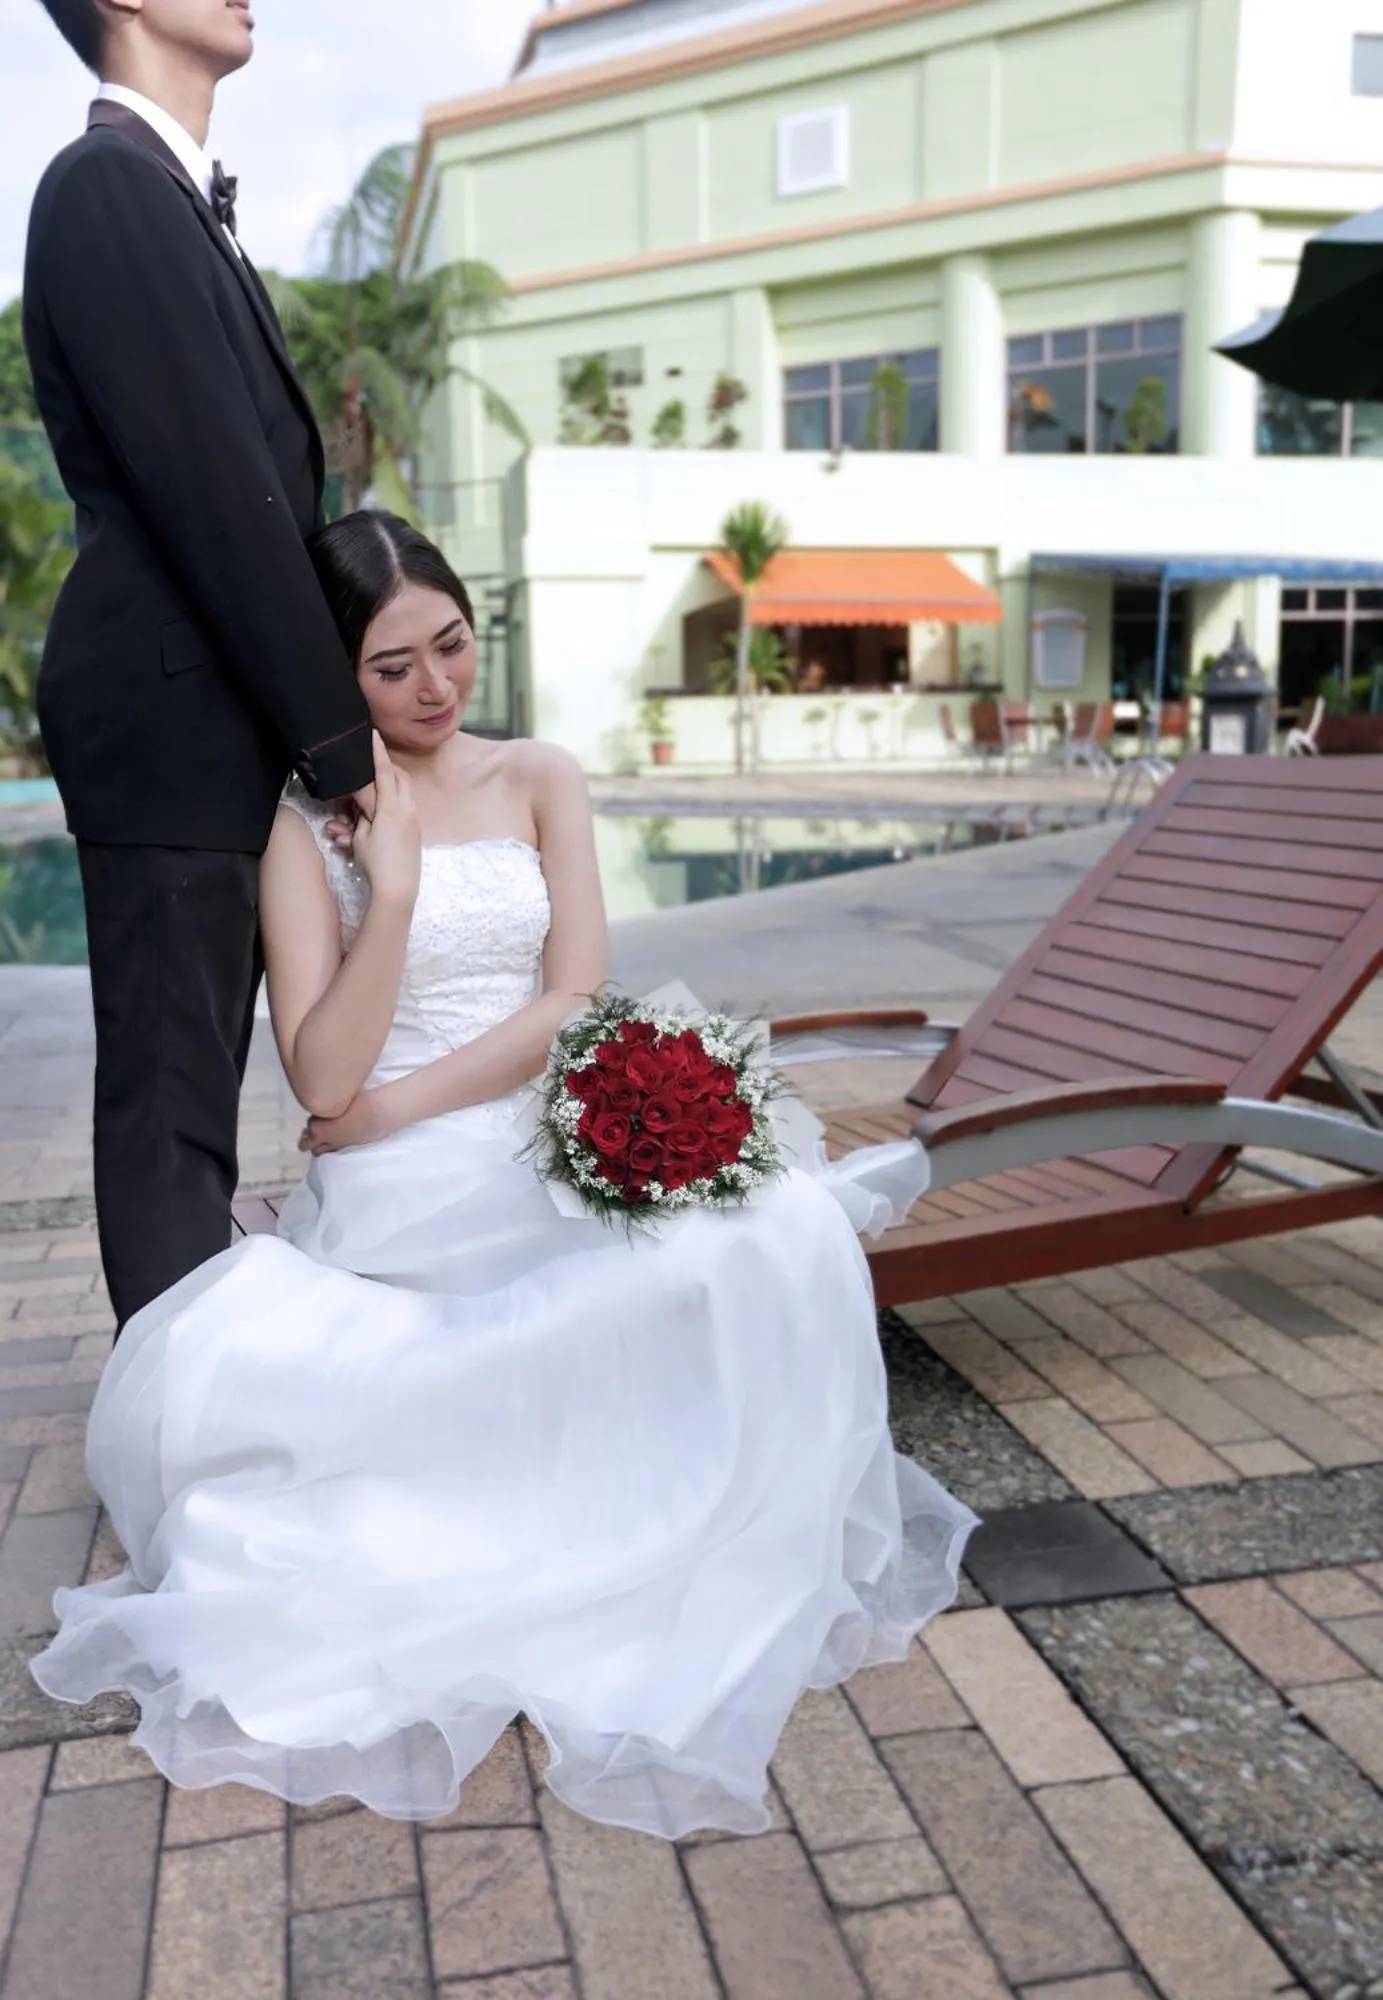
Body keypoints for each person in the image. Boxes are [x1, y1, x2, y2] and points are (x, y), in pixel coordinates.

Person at [30, 514, 978, 1841]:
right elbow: (318, 1076)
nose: (434, 686)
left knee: (765, 1235)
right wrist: (397, 891)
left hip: (513, 1118)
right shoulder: (301, 832)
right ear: (332, 674)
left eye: (452, 645)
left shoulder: (539, 774)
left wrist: (404, 1099)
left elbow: (573, 997)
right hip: (397, 1177)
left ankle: (682, 1514)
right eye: (390, 666)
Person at [24, 0, 376, 1333]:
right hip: (170, 721)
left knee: (199, 1112)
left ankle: (201, 1395)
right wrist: (341, 746)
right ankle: (185, 1452)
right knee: (172, 1117)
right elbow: (219, 499)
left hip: (207, 714)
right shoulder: (105, 184)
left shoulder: (165, 195)